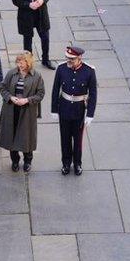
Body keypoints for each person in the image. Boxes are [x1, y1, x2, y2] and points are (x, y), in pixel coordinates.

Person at [50, 46, 97, 176]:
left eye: (72, 59)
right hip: (64, 107)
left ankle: (77, 163)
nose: (69, 61)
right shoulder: (61, 69)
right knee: (64, 138)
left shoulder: (89, 71)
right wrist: (54, 110)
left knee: (77, 140)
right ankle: (66, 163)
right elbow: (55, 90)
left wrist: (90, 114)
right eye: (68, 58)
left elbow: (93, 94)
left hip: (79, 110)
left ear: (80, 58)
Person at [0, 52, 45, 172]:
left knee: (26, 137)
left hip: (27, 111)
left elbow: (40, 94)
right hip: (11, 110)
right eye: (18, 62)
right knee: (11, 136)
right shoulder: (12, 73)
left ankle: (28, 160)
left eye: (22, 63)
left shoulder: (36, 76)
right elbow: (2, 87)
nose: (20, 65)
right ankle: (15, 160)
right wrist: (11, 98)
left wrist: (27, 100)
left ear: (29, 63)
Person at [11, 0, 54, 69]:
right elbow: (15, 0)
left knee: (45, 38)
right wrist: (28, 4)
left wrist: (42, 1)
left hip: (41, 14)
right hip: (27, 16)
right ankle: (28, 62)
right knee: (28, 41)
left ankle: (45, 60)